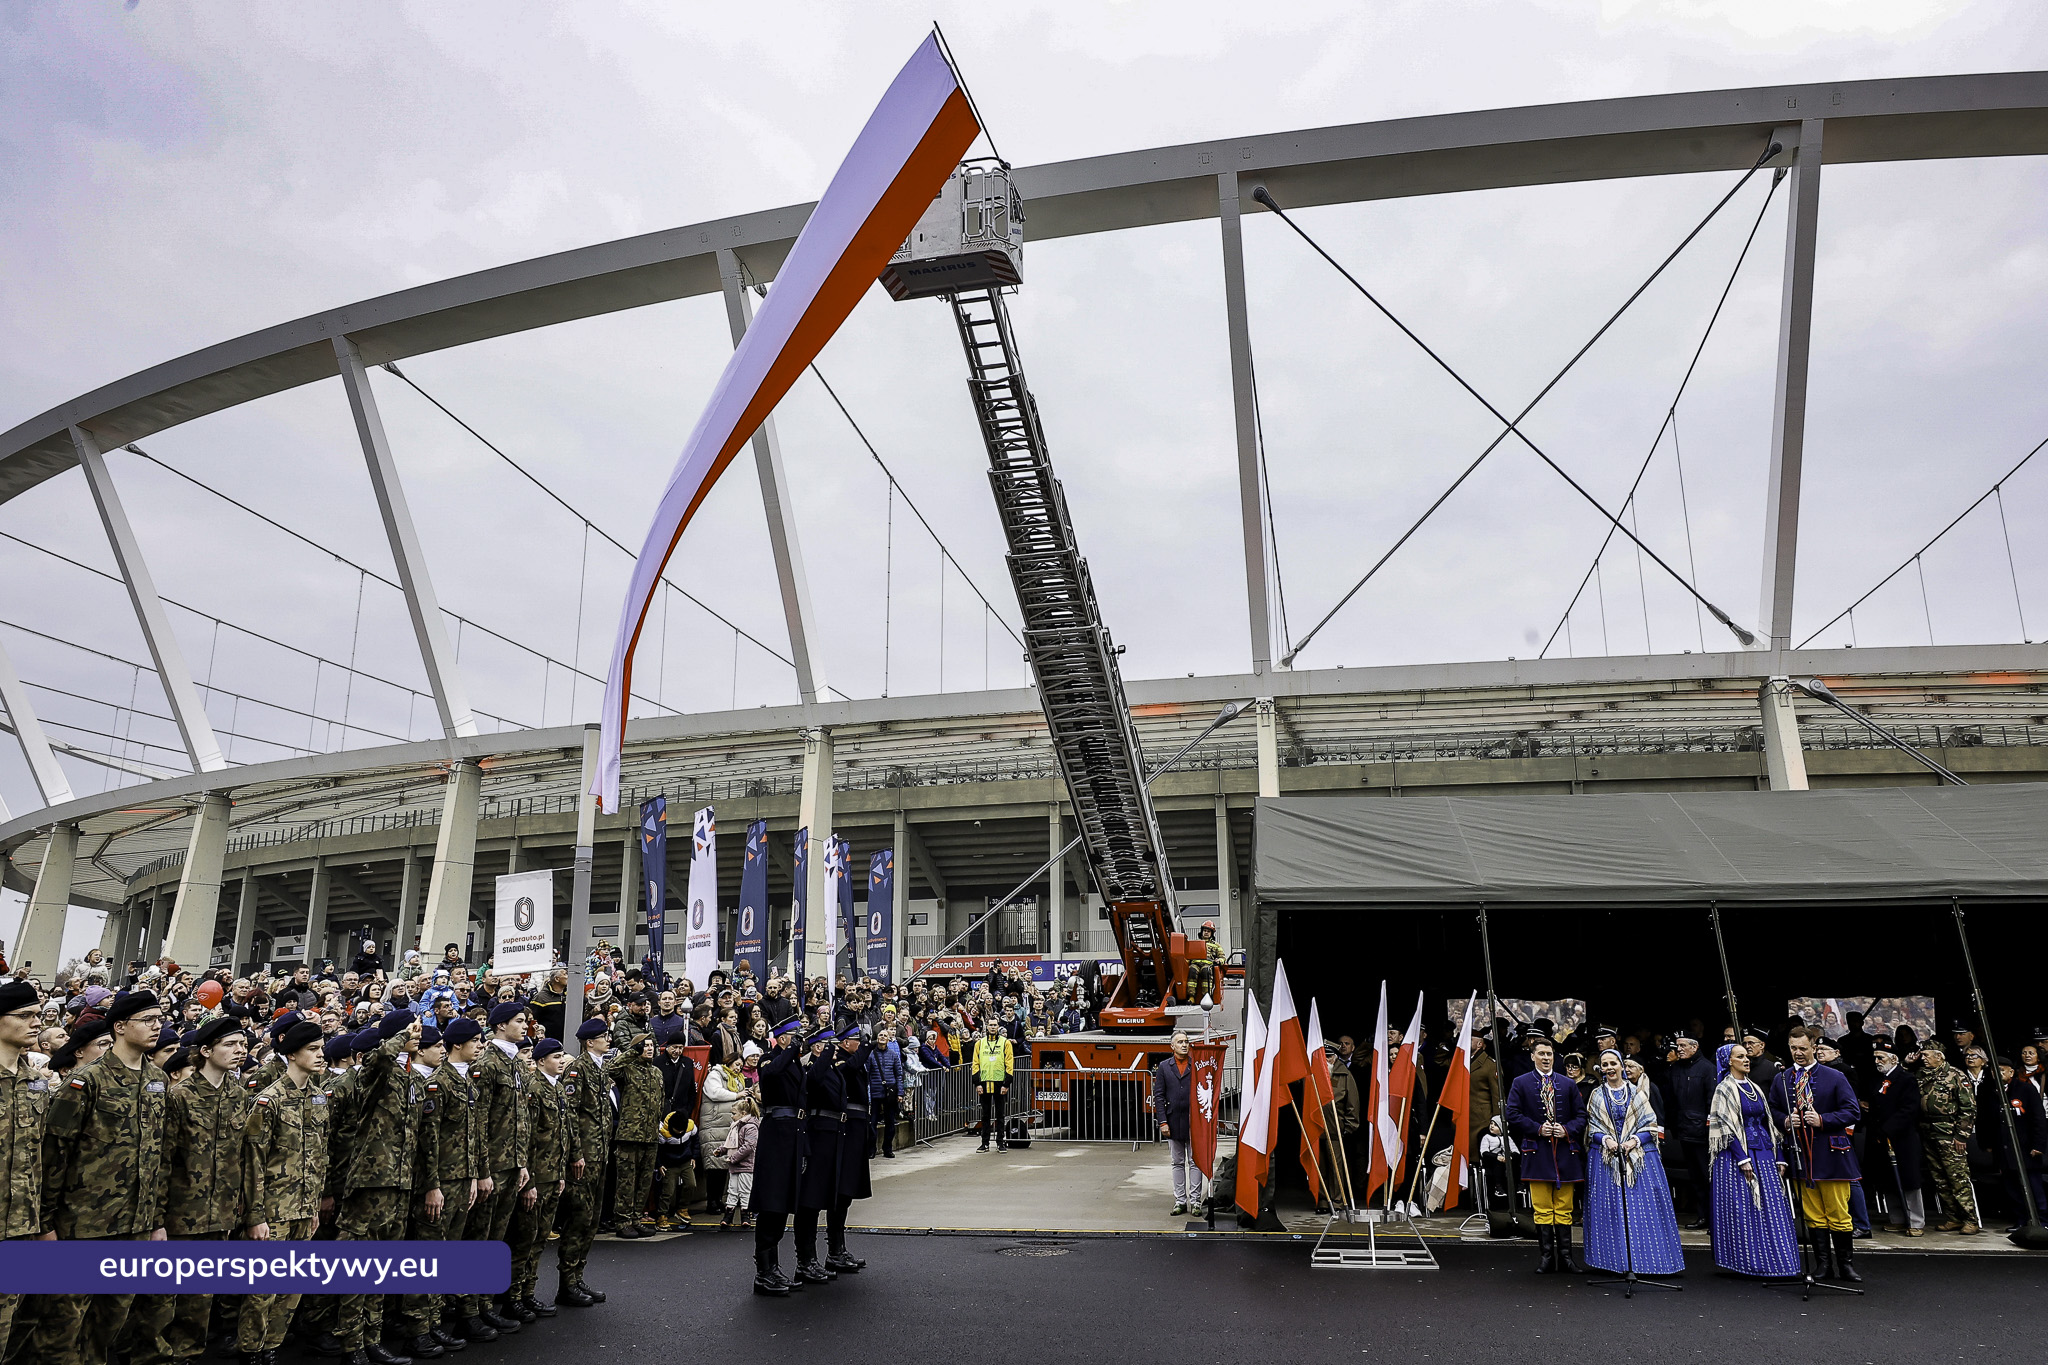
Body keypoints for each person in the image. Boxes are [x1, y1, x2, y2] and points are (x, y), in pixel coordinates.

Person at [35, 989, 173, 1365]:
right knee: (62, 1329)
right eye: (148, 1020)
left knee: (108, 1326)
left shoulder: (157, 1081)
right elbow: (54, 1154)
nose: (157, 1026)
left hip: (134, 1226)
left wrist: (156, 1221)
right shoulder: (86, 1080)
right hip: (83, 1225)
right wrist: (45, 1224)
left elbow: (160, 1155)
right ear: (120, 1027)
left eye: (159, 1019)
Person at [146, 1015, 252, 1365]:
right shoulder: (180, 1096)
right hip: (178, 1216)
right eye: (230, 1045)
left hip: (218, 1216)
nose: (240, 1050)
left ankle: (187, 1357)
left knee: (199, 1301)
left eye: (242, 1044)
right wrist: (157, 1219)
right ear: (205, 1051)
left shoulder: (238, 1095)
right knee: (161, 1303)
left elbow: (239, 1157)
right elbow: (161, 1161)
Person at [237, 1018, 330, 1365]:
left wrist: (315, 1207)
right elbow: (253, 1161)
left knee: (292, 1288)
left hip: (304, 1208)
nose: (321, 1055)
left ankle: (272, 1348)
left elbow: (320, 1156)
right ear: (292, 1054)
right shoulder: (269, 1101)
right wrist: (255, 1215)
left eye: (322, 1049)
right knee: (261, 1289)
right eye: (313, 1050)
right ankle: (250, 1350)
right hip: (273, 1210)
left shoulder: (319, 1097)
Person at [1769, 1026, 1864, 1282]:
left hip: (1831, 1153)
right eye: (1793, 1048)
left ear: (1814, 1046)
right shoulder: (1782, 1079)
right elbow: (1773, 1111)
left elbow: (1852, 1111)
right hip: (1800, 1154)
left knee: (1838, 1212)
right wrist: (1786, 1121)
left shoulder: (1834, 1076)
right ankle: (1823, 1265)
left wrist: (1822, 1119)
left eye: (1802, 1048)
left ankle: (1846, 1266)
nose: (1798, 1053)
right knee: (1813, 1213)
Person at [1583, 1048, 1683, 1276]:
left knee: (1642, 1211)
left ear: (1621, 1066)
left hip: (1639, 1157)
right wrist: (1606, 1139)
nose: (1609, 1068)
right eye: (1605, 1064)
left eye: (1613, 1063)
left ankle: (1647, 1261)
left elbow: (1650, 1124)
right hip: (1606, 1158)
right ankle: (1614, 1263)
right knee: (1610, 1211)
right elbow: (1592, 1129)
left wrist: (1633, 1141)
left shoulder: (1637, 1093)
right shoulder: (1597, 1094)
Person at [1708, 1042, 1800, 1277]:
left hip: (1764, 1152)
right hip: (1737, 1157)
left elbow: (1768, 1124)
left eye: (1747, 1056)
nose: (1746, 1059)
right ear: (1729, 1061)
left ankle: (1778, 1261)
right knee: (1744, 1208)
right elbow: (1725, 1128)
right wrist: (1742, 1158)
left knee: (1772, 1206)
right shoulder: (1724, 1089)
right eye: (1740, 1056)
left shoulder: (1755, 1087)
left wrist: (1780, 1156)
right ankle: (1748, 1261)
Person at [0, 979, 54, 1360]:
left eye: (38, 1014)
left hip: (22, 1225)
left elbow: (39, 1158)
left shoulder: (36, 1082)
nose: (36, 1022)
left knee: (15, 1322)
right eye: (24, 1015)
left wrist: (41, 1223)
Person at [1503, 1037, 1585, 1273]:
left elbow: (1581, 1117)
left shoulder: (1568, 1084)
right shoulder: (1520, 1083)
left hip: (1564, 1153)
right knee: (1541, 1207)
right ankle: (1546, 1257)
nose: (1546, 1058)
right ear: (1533, 1056)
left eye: (1549, 1054)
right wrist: (1537, 1128)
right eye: (1541, 1054)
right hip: (1537, 1152)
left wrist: (1566, 1129)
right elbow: (1513, 1114)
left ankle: (1566, 1257)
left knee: (1564, 1207)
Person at [510, 1038, 576, 1320]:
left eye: (562, 1056)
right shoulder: (534, 1089)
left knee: (539, 1240)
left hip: (553, 1175)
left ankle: (528, 1293)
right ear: (539, 1061)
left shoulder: (557, 1087)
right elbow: (529, 1140)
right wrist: (531, 1183)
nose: (561, 1061)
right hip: (536, 1177)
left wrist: (561, 1174)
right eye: (555, 1057)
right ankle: (512, 1297)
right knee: (524, 1239)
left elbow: (560, 1136)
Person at [554, 1019, 613, 1308]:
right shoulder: (578, 1070)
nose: (608, 1040)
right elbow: (570, 1116)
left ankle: (578, 1276)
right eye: (603, 1037)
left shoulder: (600, 1069)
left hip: (599, 1153)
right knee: (578, 1217)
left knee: (592, 1219)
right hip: (584, 1157)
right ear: (589, 1042)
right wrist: (575, 1153)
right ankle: (567, 1282)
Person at [749, 1016, 810, 1297]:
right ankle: (764, 1270)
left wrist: (805, 1148)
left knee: (783, 1204)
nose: (798, 1039)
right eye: (793, 1035)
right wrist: (788, 1052)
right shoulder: (769, 1058)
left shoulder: (794, 1061)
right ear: (783, 1037)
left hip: (794, 1135)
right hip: (776, 1136)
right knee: (771, 1203)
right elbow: (771, 1075)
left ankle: (773, 1267)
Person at [1911, 1039, 1981, 1234]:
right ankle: (1953, 1217)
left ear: (1939, 1057)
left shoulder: (1956, 1075)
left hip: (1950, 1134)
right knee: (1939, 1178)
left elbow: (1968, 1108)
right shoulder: (1921, 1075)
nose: (1923, 1058)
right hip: (1928, 1131)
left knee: (1957, 1178)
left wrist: (1961, 1136)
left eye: (1926, 1055)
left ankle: (1970, 1219)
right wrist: (1906, 1064)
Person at [1866, 1037, 1926, 1236]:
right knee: (1888, 1179)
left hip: (1902, 1138)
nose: (1877, 1061)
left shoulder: (1906, 1079)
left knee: (1909, 1180)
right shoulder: (1878, 1080)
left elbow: (1909, 1109)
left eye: (1881, 1057)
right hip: (1881, 1137)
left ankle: (1915, 1221)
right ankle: (1898, 1219)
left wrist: (1888, 1129)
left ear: (1893, 1058)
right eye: (1875, 1057)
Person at [605, 1034, 663, 1237]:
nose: (649, 1049)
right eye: (644, 1046)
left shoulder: (656, 1073)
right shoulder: (627, 1070)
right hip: (629, 1135)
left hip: (650, 1135)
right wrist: (632, 1051)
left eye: (651, 1045)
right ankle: (622, 1221)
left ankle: (637, 1218)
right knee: (626, 1181)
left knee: (644, 1181)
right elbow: (610, 1069)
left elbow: (660, 1102)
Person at [1990, 1055, 2048, 1232]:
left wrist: (2038, 1145)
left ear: (2011, 1072)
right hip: (2004, 1149)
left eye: (2001, 1070)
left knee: (2034, 1185)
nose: (1997, 1074)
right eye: (1994, 1070)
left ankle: (2043, 1220)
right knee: (2012, 1187)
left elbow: (2038, 1118)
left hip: (2026, 1147)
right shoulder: (1991, 1091)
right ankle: (2021, 1220)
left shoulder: (2025, 1089)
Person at [1663, 1031, 1714, 1228]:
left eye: (1683, 1045)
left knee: (1705, 1176)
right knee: (1694, 1178)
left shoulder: (1707, 1068)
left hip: (1702, 1133)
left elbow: (1711, 1100)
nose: (1679, 1049)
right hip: (1683, 1131)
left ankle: (1712, 1218)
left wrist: (1708, 1128)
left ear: (1695, 1047)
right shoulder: (1675, 1068)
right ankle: (1702, 1216)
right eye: (1678, 1045)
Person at [1152, 1032, 1200, 1216]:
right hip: (1172, 1122)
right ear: (1172, 1046)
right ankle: (1180, 1201)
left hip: (1193, 1122)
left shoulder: (1196, 1064)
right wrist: (1163, 1122)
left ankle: (1195, 1201)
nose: (1184, 1045)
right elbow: (1159, 1096)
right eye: (1180, 1042)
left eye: (1186, 1041)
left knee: (1195, 1162)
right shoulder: (1164, 1067)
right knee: (1177, 1162)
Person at [971, 1018, 1014, 1153]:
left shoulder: (1005, 1043)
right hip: (984, 1083)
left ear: (998, 1027)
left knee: (1000, 1115)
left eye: (995, 1025)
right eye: (990, 1025)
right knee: (985, 1115)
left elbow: (1009, 1064)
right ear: (987, 1027)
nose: (993, 1027)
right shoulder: (979, 1043)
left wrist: (1006, 1084)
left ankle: (1001, 1143)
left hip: (999, 1083)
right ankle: (985, 1143)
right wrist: (977, 1083)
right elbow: (975, 1064)